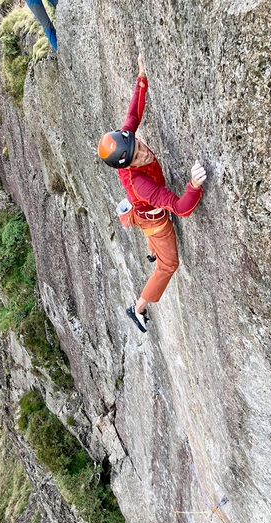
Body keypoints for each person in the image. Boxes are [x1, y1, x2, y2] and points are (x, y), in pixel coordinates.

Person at [98, 55, 206, 333]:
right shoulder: (141, 185)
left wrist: (141, 78)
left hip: (143, 211)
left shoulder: (126, 143)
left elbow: (133, 115)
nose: (144, 152)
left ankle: (149, 250)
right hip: (154, 222)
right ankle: (138, 308)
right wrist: (193, 185)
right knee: (169, 264)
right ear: (127, 165)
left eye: (139, 145)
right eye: (137, 157)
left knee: (149, 229)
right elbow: (181, 208)